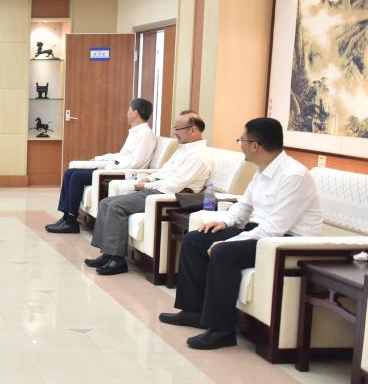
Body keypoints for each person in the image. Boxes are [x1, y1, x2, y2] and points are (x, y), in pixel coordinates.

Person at [160, 117, 322, 350]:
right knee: (195, 240)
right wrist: (223, 221)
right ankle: (194, 311)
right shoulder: (262, 170)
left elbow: (275, 228)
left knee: (224, 253)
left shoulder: (294, 176)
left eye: (241, 140)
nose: (240, 145)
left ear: (255, 145)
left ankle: (222, 331)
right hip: (261, 233)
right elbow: (244, 206)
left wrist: (229, 242)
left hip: (285, 242)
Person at [87, 111, 212, 276]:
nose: (175, 132)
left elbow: (175, 185)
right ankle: (108, 254)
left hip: (169, 195)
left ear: (193, 130)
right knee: (105, 203)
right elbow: (164, 170)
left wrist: (148, 185)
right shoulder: (183, 149)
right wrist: (148, 178)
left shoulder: (198, 156)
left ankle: (118, 260)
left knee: (116, 206)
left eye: (178, 129)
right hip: (157, 188)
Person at [46, 97, 157, 233]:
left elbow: (135, 163)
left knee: (77, 177)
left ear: (135, 112)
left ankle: (71, 222)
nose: (127, 113)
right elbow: (121, 156)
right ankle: (66, 217)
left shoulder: (146, 134)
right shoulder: (135, 132)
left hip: (124, 174)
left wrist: (109, 167)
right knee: (70, 173)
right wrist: (101, 159)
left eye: (129, 110)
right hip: (115, 168)